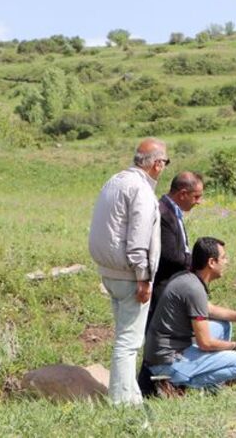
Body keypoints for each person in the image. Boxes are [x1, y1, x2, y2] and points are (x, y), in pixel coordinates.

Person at [88, 137, 167, 405]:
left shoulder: (115, 181)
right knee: (128, 342)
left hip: (109, 271)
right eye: (164, 162)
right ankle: (123, 403)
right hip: (130, 274)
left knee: (125, 337)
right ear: (157, 164)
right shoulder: (141, 190)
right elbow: (138, 239)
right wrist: (143, 277)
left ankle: (130, 394)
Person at [144, 237, 236, 394]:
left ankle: (209, 384)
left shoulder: (187, 278)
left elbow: (208, 309)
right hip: (168, 362)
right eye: (224, 258)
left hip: (169, 351)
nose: (227, 262)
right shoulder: (194, 289)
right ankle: (175, 385)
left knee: (223, 325)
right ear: (211, 262)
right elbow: (204, 342)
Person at [150, 171, 205, 320]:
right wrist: (198, 262)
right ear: (182, 194)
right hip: (162, 286)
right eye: (196, 196)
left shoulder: (172, 211)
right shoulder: (164, 214)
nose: (199, 201)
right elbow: (171, 255)